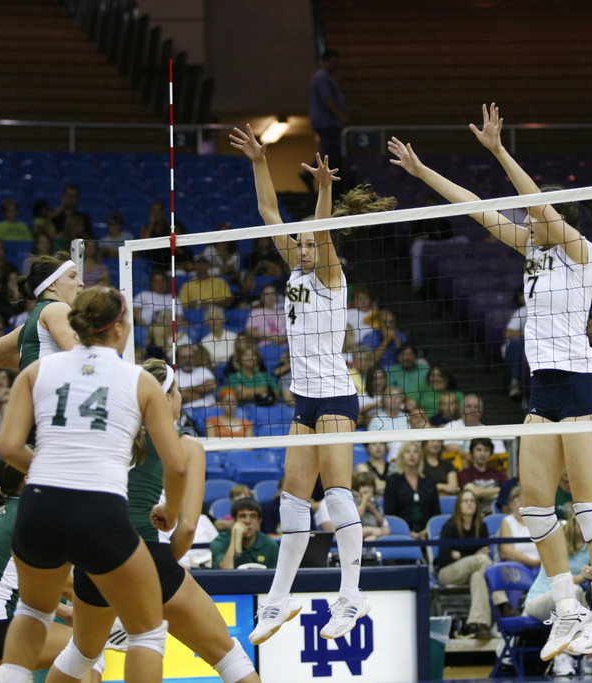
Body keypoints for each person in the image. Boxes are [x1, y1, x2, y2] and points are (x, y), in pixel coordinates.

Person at [389, 103, 592, 655]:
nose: (525, 223)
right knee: (533, 505)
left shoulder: (579, 251)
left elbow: (532, 204)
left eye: (534, 216)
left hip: (579, 383)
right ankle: (568, 609)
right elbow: (479, 209)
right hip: (541, 387)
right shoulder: (530, 253)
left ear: (550, 215)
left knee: (588, 502)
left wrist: (500, 151)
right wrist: (421, 172)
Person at [232, 123, 395, 644]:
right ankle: (278, 601)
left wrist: (324, 190)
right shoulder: (297, 272)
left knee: (340, 494)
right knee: (292, 501)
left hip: (335, 394)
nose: (300, 247)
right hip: (305, 397)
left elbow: (320, 233)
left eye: (306, 242)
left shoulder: (330, 273)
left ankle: (352, 595)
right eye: (297, 244)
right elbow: (267, 215)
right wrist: (260, 162)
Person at [0, 286, 187, 683]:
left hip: (40, 504)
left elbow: (8, 447)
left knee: (32, 613)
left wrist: (47, 467)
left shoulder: (35, 371)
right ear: (119, 328)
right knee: (146, 631)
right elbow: (178, 466)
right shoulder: (139, 380)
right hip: (100, 510)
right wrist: (171, 509)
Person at [50, 358, 260, 683]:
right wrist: (159, 570)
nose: (181, 398)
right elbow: (188, 527)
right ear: (165, 398)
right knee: (228, 656)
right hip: (146, 553)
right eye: (176, 391)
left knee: (80, 654)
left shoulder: (108, 436)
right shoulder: (186, 445)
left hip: (95, 557)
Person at [0, 461, 104, 683]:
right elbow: (62, 585)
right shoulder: (34, 516)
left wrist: (64, 611)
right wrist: (112, 609)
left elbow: (7, 580)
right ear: (28, 480)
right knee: (88, 649)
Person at [523, 508, 592, 676]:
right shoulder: (557, 538)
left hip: (572, 601)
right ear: (575, 520)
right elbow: (554, 581)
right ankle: (564, 656)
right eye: (583, 525)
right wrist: (581, 578)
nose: (586, 530)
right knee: (572, 591)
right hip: (538, 602)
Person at [0, 254, 84, 372]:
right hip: (52, 388)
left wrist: (32, 360)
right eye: (72, 276)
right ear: (51, 285)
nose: (81, 283)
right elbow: (79, 355)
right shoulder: (57, 308)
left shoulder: (29, 325)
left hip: (38, 386)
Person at [436, 487, 494, 640]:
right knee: (481, 561)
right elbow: (444, 557)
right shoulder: (450, 526)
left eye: (472, 501)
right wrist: (473, 555)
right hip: (448, 573)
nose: (469, 504)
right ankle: (502, 604)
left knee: (478, 575)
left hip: (471, 571)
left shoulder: (481, 527)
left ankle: (479, 624)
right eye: (465, 501)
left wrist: (459, 554)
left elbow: (488, 552)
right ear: (459, 505)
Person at [383, 441, 440, 541]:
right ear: (401, 456)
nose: (412, 454)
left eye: (415, 452)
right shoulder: (393, 481)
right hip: (402, 534)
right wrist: (408, 533)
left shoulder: (429, 480)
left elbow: (436, 511)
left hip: (427, 534)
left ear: (420, 457)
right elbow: (390, 513)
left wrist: (427, 531)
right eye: (408, 451)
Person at [211, 498, 279, 572]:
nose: (248, 521)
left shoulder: (270, 546)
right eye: (243, 516)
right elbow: (226, 573)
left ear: (259, 521)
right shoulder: (220, 541)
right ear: (234, 520)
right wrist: (236, 537)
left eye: (253, 517)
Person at [309, 48, 346, 165]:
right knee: (331, 151)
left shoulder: (328, 77)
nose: (335, 66)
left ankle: (311, 173)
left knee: (331, 150)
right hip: (326, 122)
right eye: (333, 62)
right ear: (326, 61)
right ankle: (310, 173)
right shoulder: (322, 76)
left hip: (327, 121)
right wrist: (340, 115)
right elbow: (327, 99)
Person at [457, 438, 507, 509]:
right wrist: (499, 490)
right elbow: (474, 492)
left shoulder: (499, 474)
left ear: (490, 453)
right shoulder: (465, 473)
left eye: (486, 450)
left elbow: (507, 494)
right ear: (472, 452)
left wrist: (482, 493)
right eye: (479, 450)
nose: (482, 453)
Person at [174, 342, 219, 410]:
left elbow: (212, 385)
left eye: (190, 357)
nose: (188, 360)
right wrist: (203, 392)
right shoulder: (174, 376)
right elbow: (179, 397)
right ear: (177, 360)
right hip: (187, 412)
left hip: (210, 408)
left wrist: (187, 390)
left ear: (194, 358)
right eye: (184, 358)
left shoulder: (204, 370)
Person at [352, 471, 390, 541]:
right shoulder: (353, 501)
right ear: (357, 488)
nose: (367, 489)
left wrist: (373, 510)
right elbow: (356, 517)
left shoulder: (375, 503)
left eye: (370, 486)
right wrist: (364, 501)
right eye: (363, 486)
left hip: (375, 535)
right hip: (357, 535)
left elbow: (382, 522)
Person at [198, 305, 239, 370]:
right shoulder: (203, 342)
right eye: (211, 319)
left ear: (222, 320)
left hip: (235, 369)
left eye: (217, 318)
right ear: (207, 322)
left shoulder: (234, 336)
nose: (214, 322)